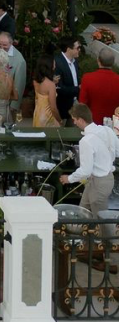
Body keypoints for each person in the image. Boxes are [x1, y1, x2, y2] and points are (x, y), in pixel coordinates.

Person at [60, 103, 119, 247]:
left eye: (74, 119)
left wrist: (69, 179)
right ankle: (80, 244)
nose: (74, 122)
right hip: (104, 178)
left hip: (99, 181)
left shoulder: (86, 141)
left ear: (80, 119)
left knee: (100, 219)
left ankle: (106, 249)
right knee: (83, 210)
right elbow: (117, 151)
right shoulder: (107, 130)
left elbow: (85, 170)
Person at [79, 49, 119, 126]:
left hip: (93, 123)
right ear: (113, 62)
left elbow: (82, 104)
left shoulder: (87, 78)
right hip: (115, 124)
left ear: (98, 60)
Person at [0, 32, 27, 117]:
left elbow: (20, 84)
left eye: (5, 45)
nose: (1, 47)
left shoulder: (19, 60)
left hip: (7, 103)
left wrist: (14, 106)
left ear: (11, 43)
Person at [54, 37, 82, 123]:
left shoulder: (75, 62)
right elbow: (59, 88)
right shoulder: (57, 63)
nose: (79, 50)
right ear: (69, 49)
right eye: (77, 48)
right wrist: (78, 88)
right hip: (63, 107)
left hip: (74, 104)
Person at [32, 55, 62, 128]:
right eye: (54, 64)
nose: (55, 66)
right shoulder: (51, 85)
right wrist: (59, 120)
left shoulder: (35, 81)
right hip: (47, 116)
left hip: (38, 114)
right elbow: (53, 108)